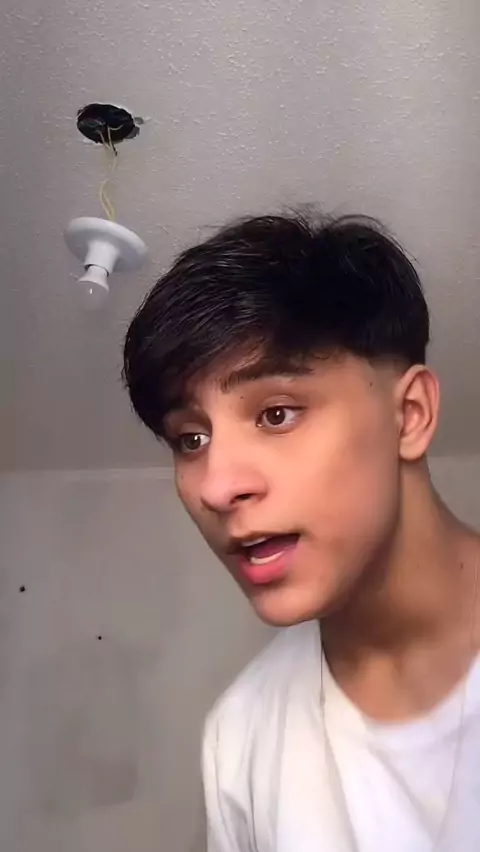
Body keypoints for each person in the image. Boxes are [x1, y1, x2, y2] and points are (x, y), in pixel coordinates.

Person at [123, 211, 480, 852]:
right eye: (191, 439)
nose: (216, 486)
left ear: (409, 415)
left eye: (276, 414)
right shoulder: (240, 739)